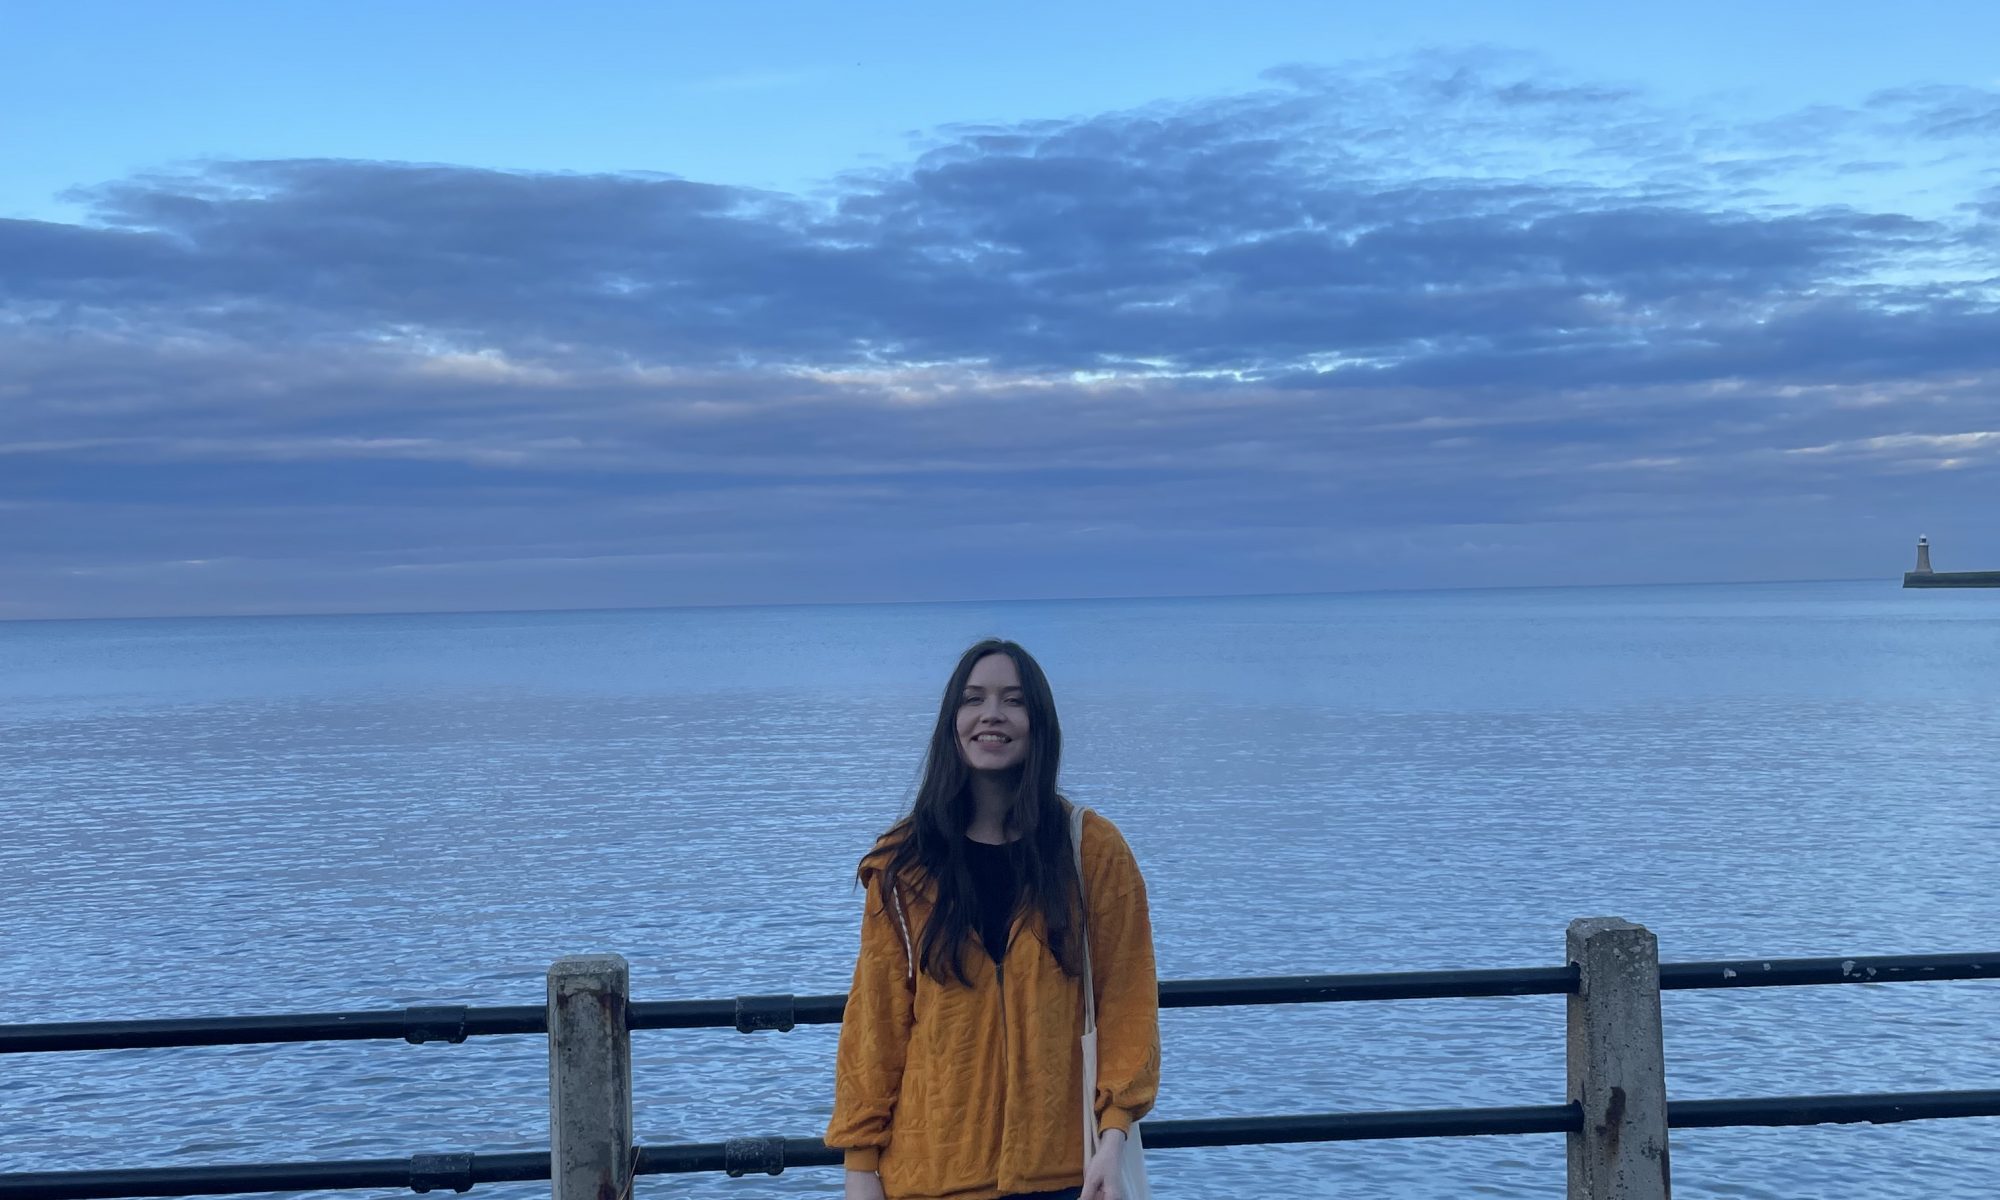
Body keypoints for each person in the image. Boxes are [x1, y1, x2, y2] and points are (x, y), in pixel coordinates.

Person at [826, 639, 1160, 1200]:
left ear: (1038, 721)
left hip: (1065, 1173)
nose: (992, 714)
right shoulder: (904, 863)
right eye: (974, 698)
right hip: (932, 1174)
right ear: (952, 721)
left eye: (1013, 700)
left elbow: (1128, 999)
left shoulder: (1091, 852)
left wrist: (1113, 1136)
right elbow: (875, 1023)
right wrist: (860, 1168)